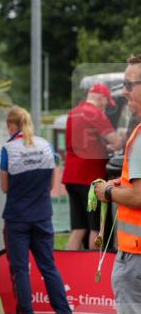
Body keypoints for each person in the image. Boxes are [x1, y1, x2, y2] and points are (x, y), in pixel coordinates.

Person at [90, 54, 141, 314]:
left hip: (136, 257)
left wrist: (108, 191)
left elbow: (138, 195)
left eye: (131, 83)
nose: (126, 91)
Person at [0, 106, 74, 314]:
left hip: (17, 218)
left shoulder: (8, 149)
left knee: (21, 270)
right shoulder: (45, 146)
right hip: (43, 216)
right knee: (49, 267)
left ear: (12, 126)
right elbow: (52, 185)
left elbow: (4, 187)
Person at [62, 83, 122, 250]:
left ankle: (69, 267)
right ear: (100, 97)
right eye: (106, 102)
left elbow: (82, 142)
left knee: (79, 228)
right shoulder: (95, 114)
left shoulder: (73, 113)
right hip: (90, 177)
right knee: (96, 228)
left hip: (71, 175)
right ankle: (93, 267)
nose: (105, 106)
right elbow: (116, 142)